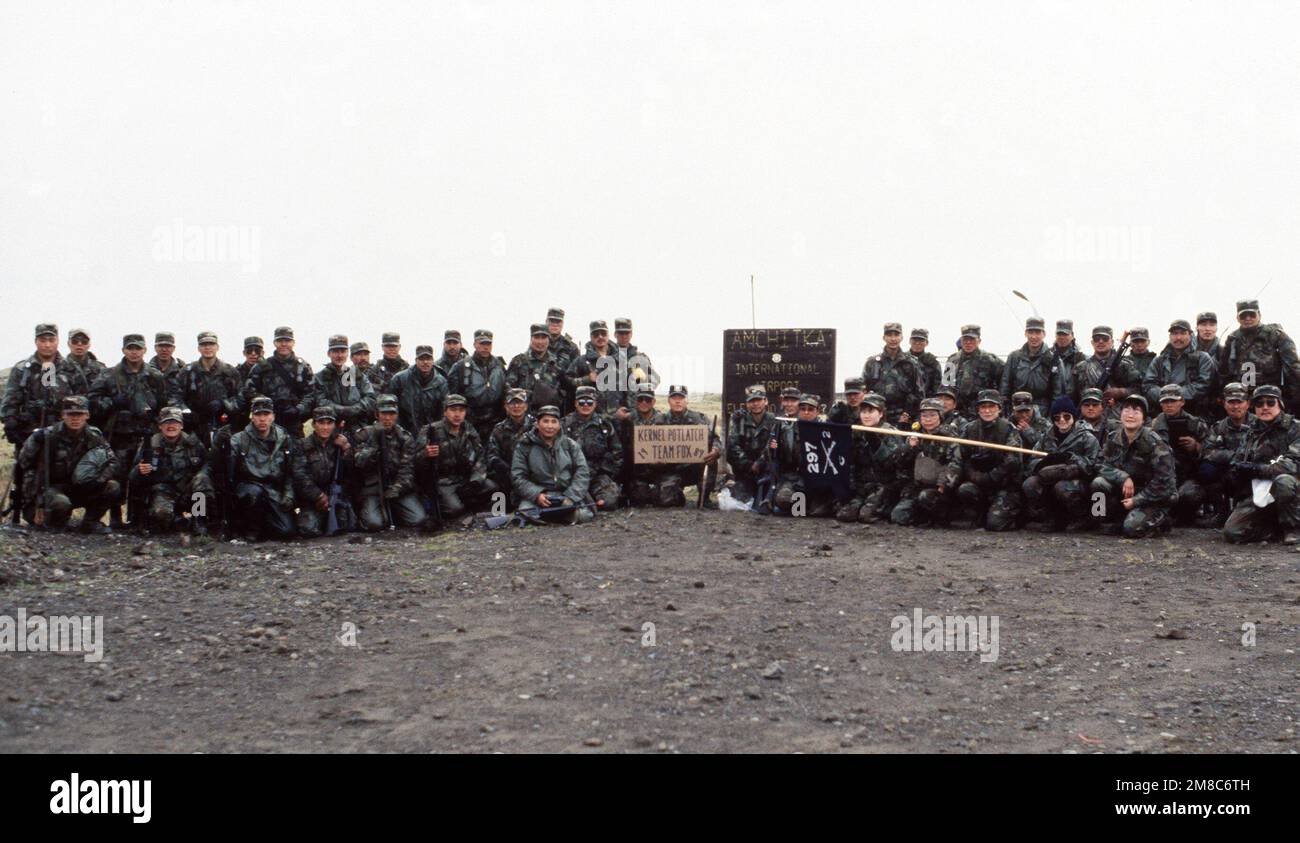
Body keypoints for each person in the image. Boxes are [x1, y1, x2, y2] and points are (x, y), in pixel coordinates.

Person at [87, 333, 169, 529]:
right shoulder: (109, 375)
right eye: (130, 348)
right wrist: (113, 403)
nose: (134, 352)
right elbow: (92, 402)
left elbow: (163, 405)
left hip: (146, 434)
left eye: (138, 348)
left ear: (144, 350)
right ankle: (116, 518)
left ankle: (138, 518)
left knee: (144, 474)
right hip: (119, 435)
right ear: (124, 350)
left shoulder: (154, 376)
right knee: (118, 475)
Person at [3, 324, 75, 523]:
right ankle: (23, 510)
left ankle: (56, 510)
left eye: (51, 340)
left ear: (58, 341)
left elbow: (81, 398)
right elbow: (10, 400)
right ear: (36, 342)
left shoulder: (69, 368)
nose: (47, 345)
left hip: (62, 431)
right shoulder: (22, 369)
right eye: (43, 340)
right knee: (25, 471)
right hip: (28, 431)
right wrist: (11, 424)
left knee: (58, 471)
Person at [16, 395, 119, 533]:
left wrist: (98, 480)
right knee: (61, 504)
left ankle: (90, 523)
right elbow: (23, 463)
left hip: (81, 486)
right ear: (62, 415)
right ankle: (57, 523)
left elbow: (112, 462)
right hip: (51, 489)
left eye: (79, 414)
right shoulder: (47, 436)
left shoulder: (94, 436)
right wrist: (35, 442)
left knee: (112, 486)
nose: (75, 419)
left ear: (87, 415)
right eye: (70, 414)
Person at [216, 395, 305, 541]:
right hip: (249, 490)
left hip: (273, 491)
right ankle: (250, 530)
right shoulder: (239, 440)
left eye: (266, 414)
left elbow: (290, 471)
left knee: (287, 531)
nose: (262, 419)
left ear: (273, 417)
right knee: (253, 494)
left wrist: (288, 494)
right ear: (252, 417)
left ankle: (263, 526)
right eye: (258, 414)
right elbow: (225, 471)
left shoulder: (284, 438)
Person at [1222, 385, 1300, 544]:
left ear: (1280, 404)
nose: (1265, 407)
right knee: (1233, 532)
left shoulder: (1295, 428)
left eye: (1270, 403)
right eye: (1259, 404)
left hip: (1292, 488)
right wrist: (1236, 473)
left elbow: (1292, 465)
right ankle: (1273, 530)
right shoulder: (1252, 431)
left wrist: (1258, 469)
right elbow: (1239, 459)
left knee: (1284, 481)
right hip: (1261, 489)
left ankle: (1293, 529)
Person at [1090, 395, 1176, 537]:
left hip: (1152, 495)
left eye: (1136, 411)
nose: (1130, 415)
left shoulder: (1155, 442)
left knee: (1131, 529)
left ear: (1143, 418)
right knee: (1098, 483)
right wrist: (1123, 477)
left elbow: (1165, 482)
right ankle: (1098, 520)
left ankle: (1161, 520)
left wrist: (1137, 500)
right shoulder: (1113, 437)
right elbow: (1099, 464)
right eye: (1127, 410)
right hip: (1126, 491)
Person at [129, 405, 214, 535]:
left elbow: (207, 464)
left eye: (175, 422)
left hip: (188, 491)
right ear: (160, 426)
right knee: (161, 515)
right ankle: (179, 521)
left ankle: (199, 520)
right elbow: (132, 477)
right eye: (166, 422)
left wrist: (201, 475)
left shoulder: (193, 443)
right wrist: (140, 470)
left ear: (181, 425)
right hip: (163, 491)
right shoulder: (150, 444)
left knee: (202, 479)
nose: (171, 426)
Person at [414, 394, 498, 520]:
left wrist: (475, 480)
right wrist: (425, 454)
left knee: (492, 488)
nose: (457, 414)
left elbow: (480, 457)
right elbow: (415, 462)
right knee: (455, 509)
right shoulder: (430, 430)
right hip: (443, 482)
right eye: (453, 410)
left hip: (464, 479)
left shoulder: (469, 429)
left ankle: (467, 504)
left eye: (461, 410)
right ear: (445, 411)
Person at [1022, 396, 1099, 532]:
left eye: (1066, 416)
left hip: (1076, 481)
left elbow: (1093, 466)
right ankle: (1050, 519)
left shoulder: (1087, 437)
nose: (1062, 420)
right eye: (1057, 417)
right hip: (1049, 478)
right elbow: (1032, 459)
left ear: (1073, 417)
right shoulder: (1047, 436)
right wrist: (1043, 463)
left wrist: (1071, 459)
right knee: (1030, 484)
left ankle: (1081, 519)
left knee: (1062, 487)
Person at [351, 394, 427, 531]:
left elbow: (407, 469)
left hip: (397, 487)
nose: (387, 418)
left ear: (397, 415)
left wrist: (396, 489)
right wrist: (374, 444)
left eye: (391, 414)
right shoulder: (364, 434)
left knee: (418, 519)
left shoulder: (405, 437)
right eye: (384, 413)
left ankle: (394, 511)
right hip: (372, 488)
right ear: (376, 414)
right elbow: (359, 462)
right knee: (374, 524)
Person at [511, 405, 594, 525]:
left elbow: (583, 473)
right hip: (539, 497)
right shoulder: (524, 446)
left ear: (559, 424)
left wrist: (571, 497)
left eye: (554, 422)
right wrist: (537, 494)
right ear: (537, 424)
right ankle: (557, 517)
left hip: (565, 495)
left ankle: (557, 516)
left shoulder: (570, 445)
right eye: (545, 421)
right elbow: (517, 476)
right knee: (526, 513)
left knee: (584, 515)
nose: (550, 426)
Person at [954, 389, 1023, 531]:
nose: (987, 411)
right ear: (978, 410)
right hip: (979, 481)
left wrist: (992, 476)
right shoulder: (969, 429)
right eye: (983, 407)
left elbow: (1013, 461)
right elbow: (962, 456)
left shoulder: (1009, 429)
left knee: (995, 525)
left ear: (999, 409)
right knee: (965, 489)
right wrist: (973, 475)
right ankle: (980, 513)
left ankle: (1014, 515)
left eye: (991, 407)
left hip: (1004, 484)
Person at [891, 397, 961, 527]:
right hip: (919, 485)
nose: (928, 419)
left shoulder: (949, 436)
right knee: (898, 516)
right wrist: (909, 448)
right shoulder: (915, 436)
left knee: (927, 498)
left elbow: (955, 464)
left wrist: (943, 486)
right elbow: (900, 463)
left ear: (940, 416)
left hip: (941, 489)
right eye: (924, 416)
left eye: (932, 415)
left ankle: (944, 516)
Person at [1218, 298, 1300, 409]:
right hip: (1241, 398)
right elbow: (1224, 371)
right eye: (1243, 316)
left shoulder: (1276, 335)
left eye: (1252, 315)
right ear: (1237, 318)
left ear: (1259, 315)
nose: (1248, 319)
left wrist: (1294, 397)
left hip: (1269, 396)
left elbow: (1292, 368)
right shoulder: (1233, 338)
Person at [1149, 382, 1211, 526]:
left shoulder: (1196, 424)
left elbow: (1212, 451)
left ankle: (1186, 516)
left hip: (1188, 475)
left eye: (1173, 401)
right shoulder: (1153, 425)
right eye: (1165, 402)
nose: (1169, 405)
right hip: (1161, 475)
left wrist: (1196, 446)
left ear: (1182, 402)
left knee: (1189, 495)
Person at [835, 393, 902, 523]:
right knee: (844, 515)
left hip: (884, 486)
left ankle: (888, 508)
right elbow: (850, 462)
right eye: (863, 411)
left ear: (881, 413)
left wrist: (876, 444)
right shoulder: (856, 431)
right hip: (863, 485)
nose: (866, 415)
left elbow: (892, 465)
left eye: (871, 411)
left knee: (866, 516)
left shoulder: (891, 433)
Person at [294, 405, 358, 538]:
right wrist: (318, 496)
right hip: (313, 499)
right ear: (313, 424)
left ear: (334, 425)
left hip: (336, 495)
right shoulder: (302, 446)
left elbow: (352, 471)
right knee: (307, 530)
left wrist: (347, 450)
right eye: (321, 423)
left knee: (348, 526)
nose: (325, 427)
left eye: (329, 423)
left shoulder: (340, 444)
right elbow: (300, 476)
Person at [655, 385, 720, 508]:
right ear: (669, 401)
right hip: (671, 468)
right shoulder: (660, 421)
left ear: (687, 400)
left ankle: (704, 498)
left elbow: (715, 439)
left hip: (695, 467)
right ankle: (677, 494)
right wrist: (655, 460)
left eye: (681, 398)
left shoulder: (700, 419)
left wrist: (715, 450)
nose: (678, 401)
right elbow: (651, 447)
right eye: (674, 398)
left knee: (711, 461)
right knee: (666, 502)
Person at [1198, 382, 1253, 528]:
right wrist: (1233, 457)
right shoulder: (1218, 427)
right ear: (1225, 405)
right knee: (1206, 470)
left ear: (1247, 404)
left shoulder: (1258, 424)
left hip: (1251, 471)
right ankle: (1220, 512)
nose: (1235, 406)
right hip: (1228, 470)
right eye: (1231, 402)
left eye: (1239, 402)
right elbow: (1207, 451)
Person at [243, 326, 313, 438]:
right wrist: (267, 404)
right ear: (275, 343)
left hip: (293, 421)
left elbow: (311, 394)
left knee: (296, 452)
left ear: (293, 343)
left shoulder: (302, 366)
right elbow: (249, 391)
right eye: (280, 341)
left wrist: (298, 409)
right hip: (267, 422)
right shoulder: (261, 366)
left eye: (287, 341)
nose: (284, 344)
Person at [562, 384, 624, 510]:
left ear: (595, 404)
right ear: (575, 403)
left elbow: (617, 453)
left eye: (590, 402)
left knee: (609, 501)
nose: (586, 405)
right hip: (571, 476)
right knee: (562, 502)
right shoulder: (564, 424)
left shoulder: (605, 425)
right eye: (582, 402)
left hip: (598, 475)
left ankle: (589, 498)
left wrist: (608, 475)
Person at [299, 334, 376, 431]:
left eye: (343, 351)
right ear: (329, 353)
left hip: (358, 427)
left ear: (347, 353)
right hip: (329, 429)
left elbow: (370, 398)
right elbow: (321, 401)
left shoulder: (357, 375)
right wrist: (344, 411)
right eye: (335, 352)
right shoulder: (319, 378)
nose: (339, 355)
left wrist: (354, 409)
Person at [179, 331, 243, 447]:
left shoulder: (229, 371)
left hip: (221, 423)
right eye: (204, 345)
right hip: (194, 424)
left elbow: (240, 397)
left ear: (217, 347)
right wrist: (185, 411)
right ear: (199, 348)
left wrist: (224, 404)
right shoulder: (188, 371)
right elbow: (175, 396)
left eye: (211, 344)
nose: (207, 347)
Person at [1142, 319, 1214, 418]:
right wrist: (1166, 398)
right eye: (1175, 333)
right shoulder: (1159, 360)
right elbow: (1148, 385)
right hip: (1162, 414)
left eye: (1183, 333)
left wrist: (1175, 397)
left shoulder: (1202, 358)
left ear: (1190, 335)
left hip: (1195, 415)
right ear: (1170, 336)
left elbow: (1204, 385)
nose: (1178, 337)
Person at [447, 329, 508, 443]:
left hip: (495, 420)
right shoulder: (460, 367)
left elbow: (505, 390)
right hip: (471, 421)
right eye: (482, 344)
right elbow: (452, 396)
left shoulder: (499, 365)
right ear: (475, 344)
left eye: (488, 344)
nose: (485, 347)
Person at [726, 384, 779, 505]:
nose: (755, 404)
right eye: (752, 401)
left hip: (765, 470)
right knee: (740, 500)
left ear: (765, 401)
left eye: (759, 400)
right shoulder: (739, 419)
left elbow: (771, 445)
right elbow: (732, 446)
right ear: (747, 403)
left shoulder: (774, 421)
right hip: (745, 470)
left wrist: (759, 463)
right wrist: (749, 465)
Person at [862, 322, 924, 425]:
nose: (893, 339)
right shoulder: (872, 362)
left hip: (903, 417)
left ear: (902, 337)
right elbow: (863, 391)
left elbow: (919, 393)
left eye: (896, 335)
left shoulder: (911, 363)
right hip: (877, 415)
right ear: (884, 338)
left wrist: (908, 413)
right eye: (889, 335)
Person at [486, 388, 535, 501]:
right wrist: (504, 468)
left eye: (519, 402)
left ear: (526, 406)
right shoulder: (499, 429)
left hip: (533, 474)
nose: (516, 406)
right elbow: (491, 456)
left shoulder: (536, 427)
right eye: (512, 403)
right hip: (508, 475)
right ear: (506, 407)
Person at [622, 382, 666, 506]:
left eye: (648, 399)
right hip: (637, 470)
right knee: (638, 500)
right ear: (636, 401)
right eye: (640, 399)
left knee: (666, 500)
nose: (644, 402)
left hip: (658, 469)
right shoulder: (629, 419)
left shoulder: (663, 420)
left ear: (653, 402)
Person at [1072, 325, 1139, 406]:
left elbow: (1138, 390)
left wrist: (1121, 392)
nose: (1100, 341)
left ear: (1112, 341)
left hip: (1118, 415)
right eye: (1096, 339)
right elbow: (1072, 396)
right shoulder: (1080, 368)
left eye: (1105, 338)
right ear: (1092, 342)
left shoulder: (1126, 365)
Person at [945, 324, 1004, 416]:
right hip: (958, 409)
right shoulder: (952, 360)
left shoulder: (991, 360)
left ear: (979, 341)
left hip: (983, 409)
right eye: (965, 340)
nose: (968, 342)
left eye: (972, 339)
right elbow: (947, 386)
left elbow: (1002, 386)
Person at [1001, 317, 1055, 417]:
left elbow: (1057, 392)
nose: (1034, 337)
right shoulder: (1014, 357)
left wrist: (1050, 416)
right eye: (1030, 332)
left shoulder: (1053, 359)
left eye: (1037, 332)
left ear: (1044, 334)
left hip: (1042, 409)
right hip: (1017, 407)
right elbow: (1005, 386)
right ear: (1025, 333)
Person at [388, 344, 448, 433]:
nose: (425, 362)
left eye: (428, 359)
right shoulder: (399, 379)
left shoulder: (441, 382)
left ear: (433, 361)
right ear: (416, 360)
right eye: (421, 359)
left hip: (432, 431)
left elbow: (443, 412)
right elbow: (392, 408)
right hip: (405, 432)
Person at [506, 323, 565, 410]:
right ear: (531, 339)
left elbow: (564, 391)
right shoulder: (518, 361)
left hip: (549, 417)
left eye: (543, 338)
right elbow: (508, 388)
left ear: (549, 340)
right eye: (536, 337)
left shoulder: (557, 364)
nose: (540, 342)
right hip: (523, 415)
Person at [63, 327, 105, 395]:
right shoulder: (59, 368)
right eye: (75, 341)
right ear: (68, 343)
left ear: (89, 345)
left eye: (84, 341)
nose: (79, 344)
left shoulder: (101, 369)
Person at [149, 331, 187, 406]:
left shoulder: (182, 370)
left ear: (173, 348)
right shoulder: (146, 370)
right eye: (160, 346)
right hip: (153, 409)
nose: (164, 349)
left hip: (176, 409)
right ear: (155, 348)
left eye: (168, 346)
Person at [908, 328, 942, 398]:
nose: (917, 343)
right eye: (915, 340)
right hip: (905, 402)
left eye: (921, 340)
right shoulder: (903, 359)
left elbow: (938, 385)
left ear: (926, 343)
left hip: (926, 402)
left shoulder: (932, 362)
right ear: (910, 341)